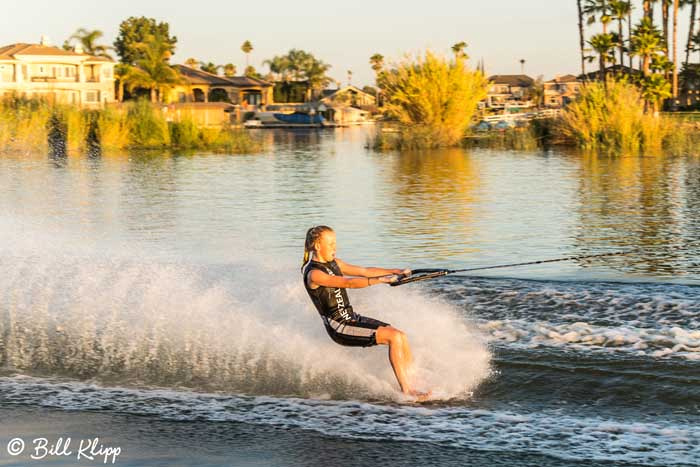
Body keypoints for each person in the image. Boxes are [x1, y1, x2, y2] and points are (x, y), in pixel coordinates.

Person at [301, 225, 429, 399]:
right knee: (394, 337)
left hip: (351, 318)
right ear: (317, 246)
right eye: (330, 243)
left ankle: (414, 383)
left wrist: (394, 271)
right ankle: (407, 391)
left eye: (335, 243)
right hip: (340, 327)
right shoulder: (314, 274)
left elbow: (364, 271)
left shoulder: (335, 263)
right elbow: (349, 283)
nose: (335, 247)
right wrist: (381, 280)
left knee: (401, 336)